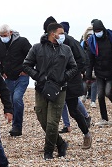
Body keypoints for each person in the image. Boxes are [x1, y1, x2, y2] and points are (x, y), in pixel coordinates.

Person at [22, 21, 78, 159]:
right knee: (43, 119)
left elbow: (74, 67)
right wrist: (38, 77)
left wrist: (63, 77)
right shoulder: (36, 48)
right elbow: (26, 65)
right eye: (61, 33)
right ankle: (61, 143)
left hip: (60, 89)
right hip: (41, 88)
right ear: (52, 34)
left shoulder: (66, 49)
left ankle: (48, 151)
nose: (63, 35)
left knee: (53, 122)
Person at [56, 19, 92, 147]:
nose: (59, 36)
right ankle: (55, 142)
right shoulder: (48, 44)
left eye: (61, 33)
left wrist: (70, 74)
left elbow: (83, 60)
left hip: (71, 82)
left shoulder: (71, 42)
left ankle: (86, 133)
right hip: (55, 83)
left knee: (73, 110)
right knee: (54, 112)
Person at [0, 24, 32, 137]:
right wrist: (1, 72)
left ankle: (17, 126)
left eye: (5, 35)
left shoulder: (22, 41)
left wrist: (27, 70)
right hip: (8, 77)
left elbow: (32, 55)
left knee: (17, 98)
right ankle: (14, 123)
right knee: (10, 100)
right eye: (1, 35)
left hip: (22, 76)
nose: (3, 37)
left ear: (10, 33)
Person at [86, 19, 112, 125]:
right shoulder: (92, 42)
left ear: (103, 29)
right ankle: (104, 118)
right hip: (99, 71)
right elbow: (90, 60)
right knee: (100, 95)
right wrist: (88, 74)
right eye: (96, 31)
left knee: (108, 92)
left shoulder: (111, 37)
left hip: (111, 70)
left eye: (99, 30)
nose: (98, 33)